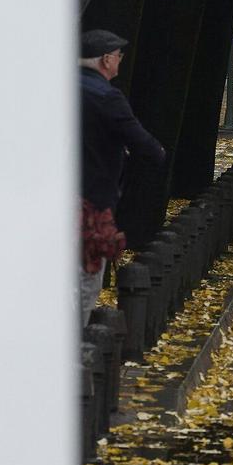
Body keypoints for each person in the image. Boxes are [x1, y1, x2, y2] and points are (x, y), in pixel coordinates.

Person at [79, 30, 165, 325]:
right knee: (86, 276)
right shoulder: (107, 96)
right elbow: (141, 141)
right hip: (91, 199)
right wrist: (157, 152)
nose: (120, 61)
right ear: (106, 60)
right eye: (118, 56)